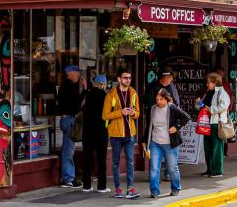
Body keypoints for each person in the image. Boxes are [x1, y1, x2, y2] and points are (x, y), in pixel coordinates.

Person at [147, 88, 191, 198]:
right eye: (157, 99)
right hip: (155, 142)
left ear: (167, 99)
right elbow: (149, 126)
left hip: (169, 143)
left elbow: (186, 117)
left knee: (172, 168)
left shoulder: (172, 108)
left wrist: (177, 127)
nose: (158, 102)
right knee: (154, 168)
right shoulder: (153, 109)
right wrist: (145, 141)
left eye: (161, 99)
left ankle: (175, 188)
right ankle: (154, 191)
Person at [104, 67, 141, 199]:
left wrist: (132, 113)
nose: (128, 80)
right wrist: (121, 112)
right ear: (119, 79)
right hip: (116, 135)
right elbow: (105, 115)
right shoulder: (111, 95)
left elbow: (138, 113)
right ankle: (118, 190)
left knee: (130, 161)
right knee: (116, 162)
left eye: (130, 78)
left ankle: (130, 189)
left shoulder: (133, 93)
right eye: (125, 77)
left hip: (130, 134)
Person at [81, 75, 109, 194]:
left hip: (87, 130)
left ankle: (86, 185)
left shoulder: (87, 95)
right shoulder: (106, 96)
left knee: (87, 157)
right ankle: (101, 186)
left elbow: (81, 108)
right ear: (103, 84)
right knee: (101, 158)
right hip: (101, 130)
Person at [199, 72, 231, 178]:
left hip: (216, 123)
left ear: (215, 82)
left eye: (209, 82)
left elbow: (224, 105)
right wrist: (198, 104)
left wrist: (211, 109)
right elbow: (203, 106)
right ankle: (210, 169)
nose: (207, 84)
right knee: (207, 148)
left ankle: (217, 171)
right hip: (207, 123)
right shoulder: (208, 93)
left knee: (217, 148)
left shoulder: (222, 93)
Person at [56, 65, 83, 188]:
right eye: (77, 73)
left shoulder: (64, 85)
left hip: (65, 119)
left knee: (68, 148)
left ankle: (68, 177)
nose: (78, 75)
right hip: (69, 119)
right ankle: (68, 178)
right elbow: (76, 105)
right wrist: (84, 90)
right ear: (70, 73)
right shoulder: (69, 86)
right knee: (68, 150)